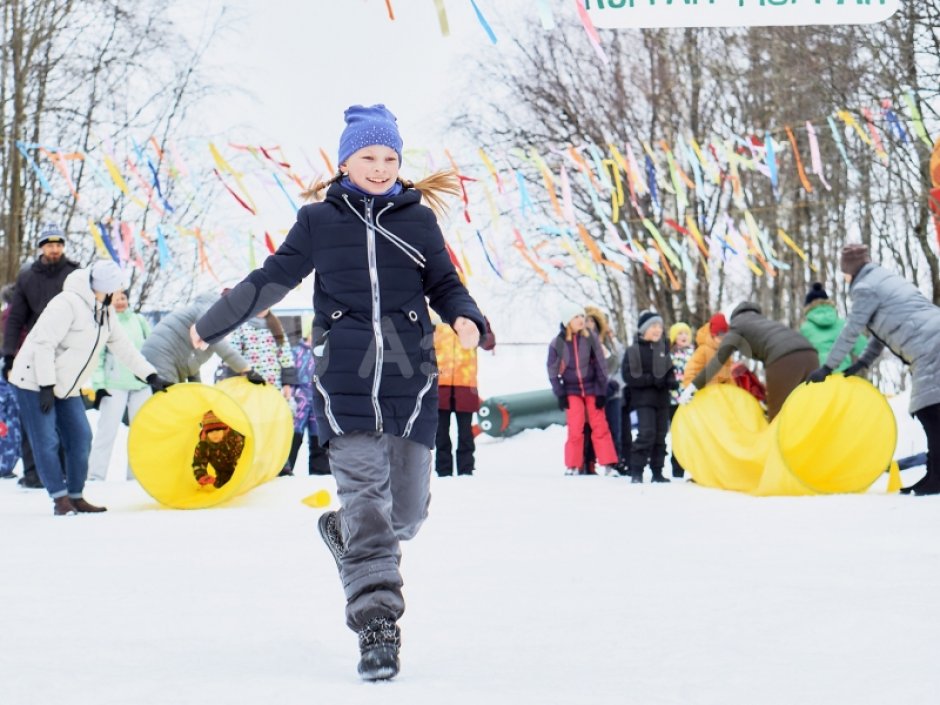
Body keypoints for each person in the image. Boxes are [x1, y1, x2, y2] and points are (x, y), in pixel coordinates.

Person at [190, 104, 487, 681]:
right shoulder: (317, 222)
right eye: (369, 157)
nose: (380, 167)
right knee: (369, 508)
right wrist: (214, 321)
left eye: (390, 158)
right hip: (344, 381)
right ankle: (378, 625)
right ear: (345, 161)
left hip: (410, 379)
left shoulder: (418, 221)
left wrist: (467, 317)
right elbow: (270, 279)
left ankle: (346, 532)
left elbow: (446, 283)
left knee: (406, 513)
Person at [8, 261, 171, 515]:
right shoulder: (66, 304)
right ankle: (60, 499)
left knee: (81, 437)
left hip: (66, 385)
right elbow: (43, 344)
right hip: (34, 381)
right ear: (103, 288)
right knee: (47, 440)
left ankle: (76, 495)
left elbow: (123, 347)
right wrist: (46, 386)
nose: (119, 295)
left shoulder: (106, 313)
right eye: (115, 290)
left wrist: (150, 376)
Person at [806, 243, 940, 495]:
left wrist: (827, 367)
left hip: (929, 346)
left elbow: (852, 330)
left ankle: (936, 477)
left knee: (928, 411)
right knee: (932, 410)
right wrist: (862, 363)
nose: (844, 276)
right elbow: (879, 335)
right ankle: (934, 474)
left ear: (851, 268)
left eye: (844, 271)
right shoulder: (882, 280)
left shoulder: (865, 288)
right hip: (933, 338)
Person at [3, 223, 80, 488]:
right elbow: (15, 319)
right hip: (36, 350)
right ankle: (34, 472)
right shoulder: (27, 277)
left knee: (64, 413)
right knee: (33, 413)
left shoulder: (75, 274)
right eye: (49, 245)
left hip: (67, 350)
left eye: (58, 244)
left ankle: (64, 469)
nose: (54, 249)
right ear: (41, 248)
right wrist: (9, 355)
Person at [680, 302, 818, 421]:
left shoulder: (737, 326)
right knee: (805, 410)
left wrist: (693, 387)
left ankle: (777, 450)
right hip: (810, 354)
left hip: (783, 358)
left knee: (778, 416)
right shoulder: (760, 321)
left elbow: (718, 360)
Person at [547, 302, 619, 476]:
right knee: (575, 428)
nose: (581, 320)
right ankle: (572, 465)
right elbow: (552, 370)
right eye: (576, 317)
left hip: (592, 389)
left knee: (600, 426)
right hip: (571, 391)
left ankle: (608, 465)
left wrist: (601, 391)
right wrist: (560, 393)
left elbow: (601, 365)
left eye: (582, 316)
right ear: (567, 321)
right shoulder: (558, 343)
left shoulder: (590, 338)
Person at [87, 289, 152, 481]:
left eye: (123, 298)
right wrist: (99, 385)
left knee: (141, 432)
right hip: (113, 385)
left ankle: (136, 476)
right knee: (106, 431)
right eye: (117, 299)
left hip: (140, 385)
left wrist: (153, 375)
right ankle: (95, 476)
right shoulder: (105, 322)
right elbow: (97, 357)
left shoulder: (139, 321)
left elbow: (150, 347)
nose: (121, 302)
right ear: (110, 302)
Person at [140, 292, 261, 385]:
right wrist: (248, 371)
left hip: (163, 356)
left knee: (173, 401)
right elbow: (224, 350)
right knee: (169, 403)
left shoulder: (205, 317)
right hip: (161, 355)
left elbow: (192, 362)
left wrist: (198, 389)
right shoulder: (211, 312)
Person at [433, 315, 495, 477]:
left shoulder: (473, 315)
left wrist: (481, 324)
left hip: (465, 385)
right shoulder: (435, 316)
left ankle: (466, 470)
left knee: (465, 433)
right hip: (441, 383)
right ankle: (443, 471)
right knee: (441, 433)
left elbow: (489, 343)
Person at [622, 310, 677, 483]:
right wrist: (652, 379)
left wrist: (670, 381)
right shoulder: (634, 350)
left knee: (660, 436)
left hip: (662, 400)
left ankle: (657, 471)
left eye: (660, 326)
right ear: (643, 329)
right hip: (643, 399)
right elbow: (630, 375)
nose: (657, 329)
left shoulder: (663, 349)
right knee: (646, 434)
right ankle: (636, 470)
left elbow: (669, 372)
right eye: (653, 326)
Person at [583, 306, 625, 474]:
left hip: (613, 391)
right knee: (590, 429)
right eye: (586, 320)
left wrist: (615, 384)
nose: (589, 324)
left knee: (614, 429)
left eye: (592, 321)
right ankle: (588, 464)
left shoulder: (612, 344)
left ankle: (614, 464)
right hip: (592, 392)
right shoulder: (583, 344)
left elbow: (623, 366)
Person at [286, 331, 330, 475]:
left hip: (319, 399)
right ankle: (286, 467)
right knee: (294, 433)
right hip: (300, 398)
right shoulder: (296, 351)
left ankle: (320, 469)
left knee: (318, 433)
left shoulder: (325, 352)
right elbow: (289, 373)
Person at [800, 282, 866, 372]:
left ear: (807, 308)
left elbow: (799, 356)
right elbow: (863, 346)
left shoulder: (805, 329)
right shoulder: (843, 324)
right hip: (843, 374)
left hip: (817, 376)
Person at [191, 410, 246, 489]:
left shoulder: (234, 438)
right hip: (223, 475)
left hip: (240, 470)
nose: (214, 434)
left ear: (224, 429)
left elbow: (247, 447)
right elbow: (198, 463)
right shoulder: (204, 445)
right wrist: (202, 476)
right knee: (221, 485)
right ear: (206, 432)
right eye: (210, 431)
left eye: (218, 429)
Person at [667, 322, 694, 479]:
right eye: (679, 334)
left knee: (691, 435)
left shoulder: (694, 354)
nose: (683, 337)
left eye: (685, 333)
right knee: (677, 436)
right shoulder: (669, 354)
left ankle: (693, 469)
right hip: (674, 401)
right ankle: (677, 470)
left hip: (691, 401)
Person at [682, 313, 733, 390]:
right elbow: (690, 372)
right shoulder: (703, 351)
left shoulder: (725, 352)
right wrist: (692, 390)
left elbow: (729, 376)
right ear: (713, 335)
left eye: (725, 336)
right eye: (720, 336)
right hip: (706, 395)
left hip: (722, 395)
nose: (722, 339)